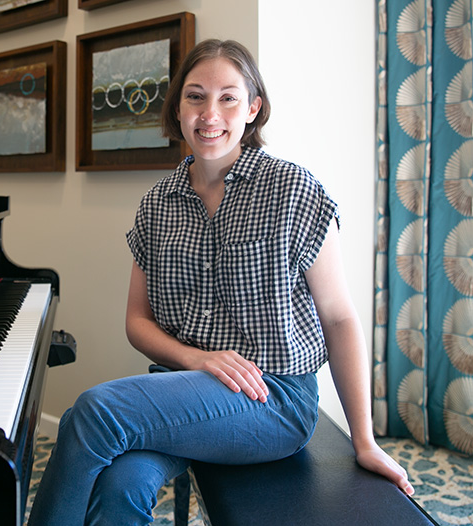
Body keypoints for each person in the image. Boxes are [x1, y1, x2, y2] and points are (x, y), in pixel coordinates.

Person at [27, 39, 413, 526]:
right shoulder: (156, 206)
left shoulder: (293, 190)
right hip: (183, 387)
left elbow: (338, 317)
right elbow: (137, 322)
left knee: (94, 412)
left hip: (273, 400)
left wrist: (364, 442)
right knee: (120, 484)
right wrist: (198, 359)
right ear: (178, 108)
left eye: (228, 97)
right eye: (195, 96)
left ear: (253, 108)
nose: (210, 113)